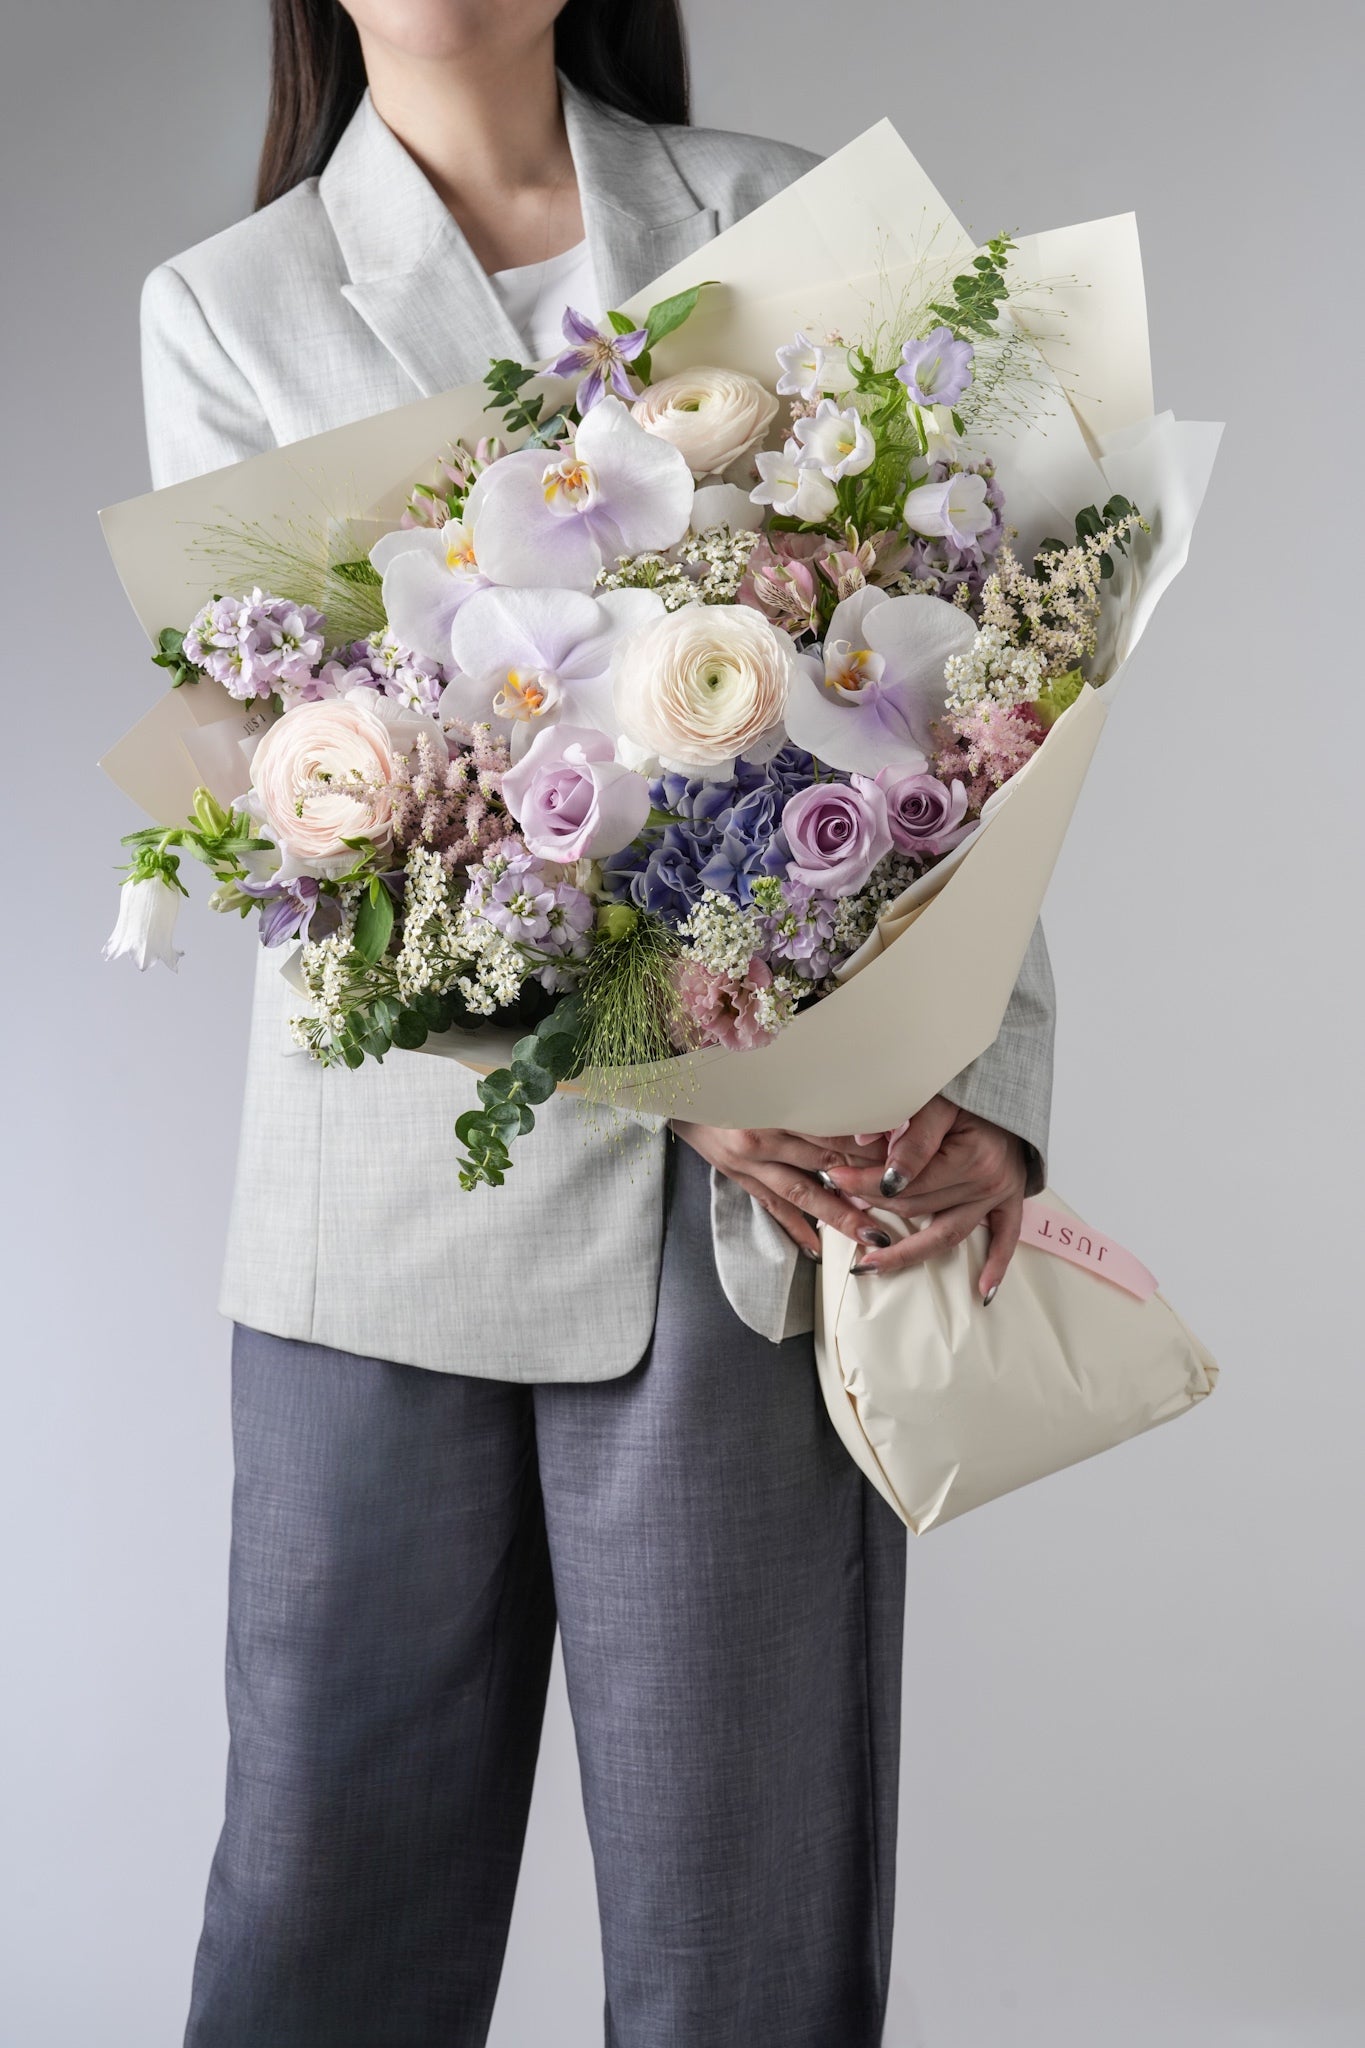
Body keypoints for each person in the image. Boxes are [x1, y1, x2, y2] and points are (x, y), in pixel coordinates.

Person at [142, 3, 1055, 2041]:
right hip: (374, 1245)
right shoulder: (228, 305)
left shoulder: (770, 221)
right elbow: (294, 798)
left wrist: (980, 1085)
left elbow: (972, 700)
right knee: (322, 1924)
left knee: (752, 1948)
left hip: (754, 1242)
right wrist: (672, 1071)